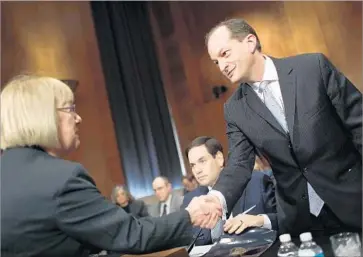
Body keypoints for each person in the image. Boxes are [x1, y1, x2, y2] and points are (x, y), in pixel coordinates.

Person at [0, 75, 221, 257]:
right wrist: (189, 215)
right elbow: (131, 235)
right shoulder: (61, 179)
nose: (78, 118)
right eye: (69, 109)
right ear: (44, 117)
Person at [200, 18, 362, 237]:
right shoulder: (234, 108)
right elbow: (238, 163)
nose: (222, 66)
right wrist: (216, 198)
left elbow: (358, 124)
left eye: (224, 54)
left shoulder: (312, 68)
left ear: (250, 43)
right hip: (302, 221)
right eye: (215, 62)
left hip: (353, 198)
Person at [182, 136, 277, 245]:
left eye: (202, 161)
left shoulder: (256, 182)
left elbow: (284, 220)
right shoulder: (191, 201)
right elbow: (188, 244)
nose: (197, 170)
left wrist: (259, 220)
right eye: (193, 165)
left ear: (219, 158)